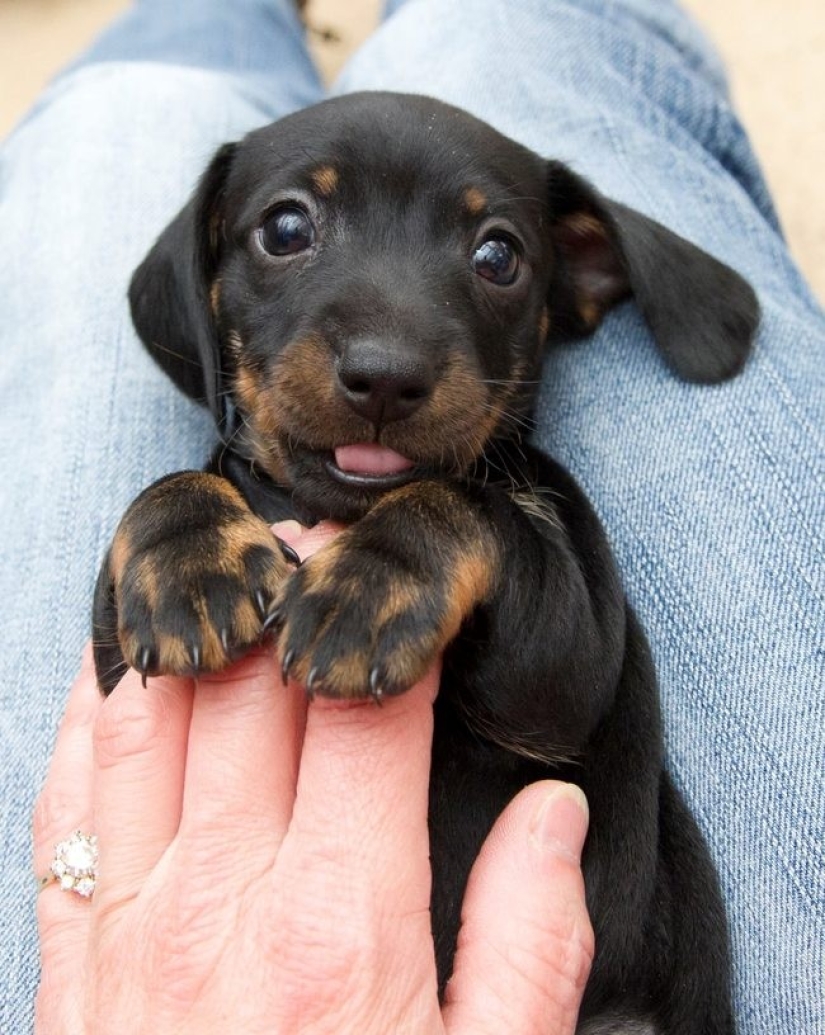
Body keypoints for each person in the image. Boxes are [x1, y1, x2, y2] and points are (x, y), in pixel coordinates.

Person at [0, 0, 821, 1032]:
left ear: (575, 281)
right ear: (202, 294)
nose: (386, 356)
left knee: (120, 112)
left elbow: (551, 696)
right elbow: (141, 685)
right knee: (494, 31)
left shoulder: (522, 523)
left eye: (493, 258)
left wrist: (444, 536)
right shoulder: (210, 506)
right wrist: (174, 518)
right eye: (289, 230)